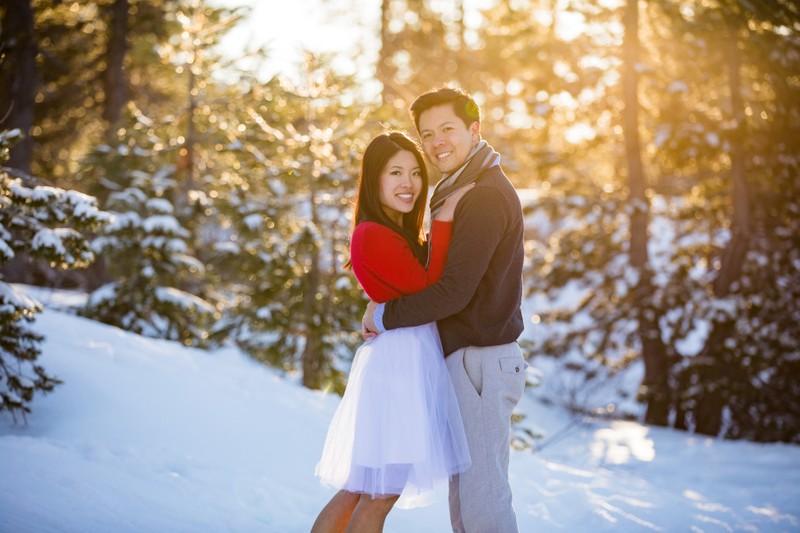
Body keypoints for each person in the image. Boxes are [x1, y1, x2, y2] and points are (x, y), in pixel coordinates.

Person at [362, 86, 527, 533]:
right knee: (468, 503)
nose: (437, 142)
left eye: (448, 129)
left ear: (475, 130)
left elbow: (453, 292)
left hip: (482, 361)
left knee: (483, 503)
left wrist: (382, 315)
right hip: (470, 362)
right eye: (428, 133)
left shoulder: (483, 195)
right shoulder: (461, 189)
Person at [312, 131, 473, 533]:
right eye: (395, 172)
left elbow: (403, 287)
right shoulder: (374, 232)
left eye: (416, 172)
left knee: (361, 489)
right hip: (401, 368)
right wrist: (445, 219)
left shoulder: (390, 231)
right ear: (374, 181)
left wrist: (377, 306)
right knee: (380, 495)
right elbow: (432, 289)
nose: (408, 183)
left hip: (398, 359)